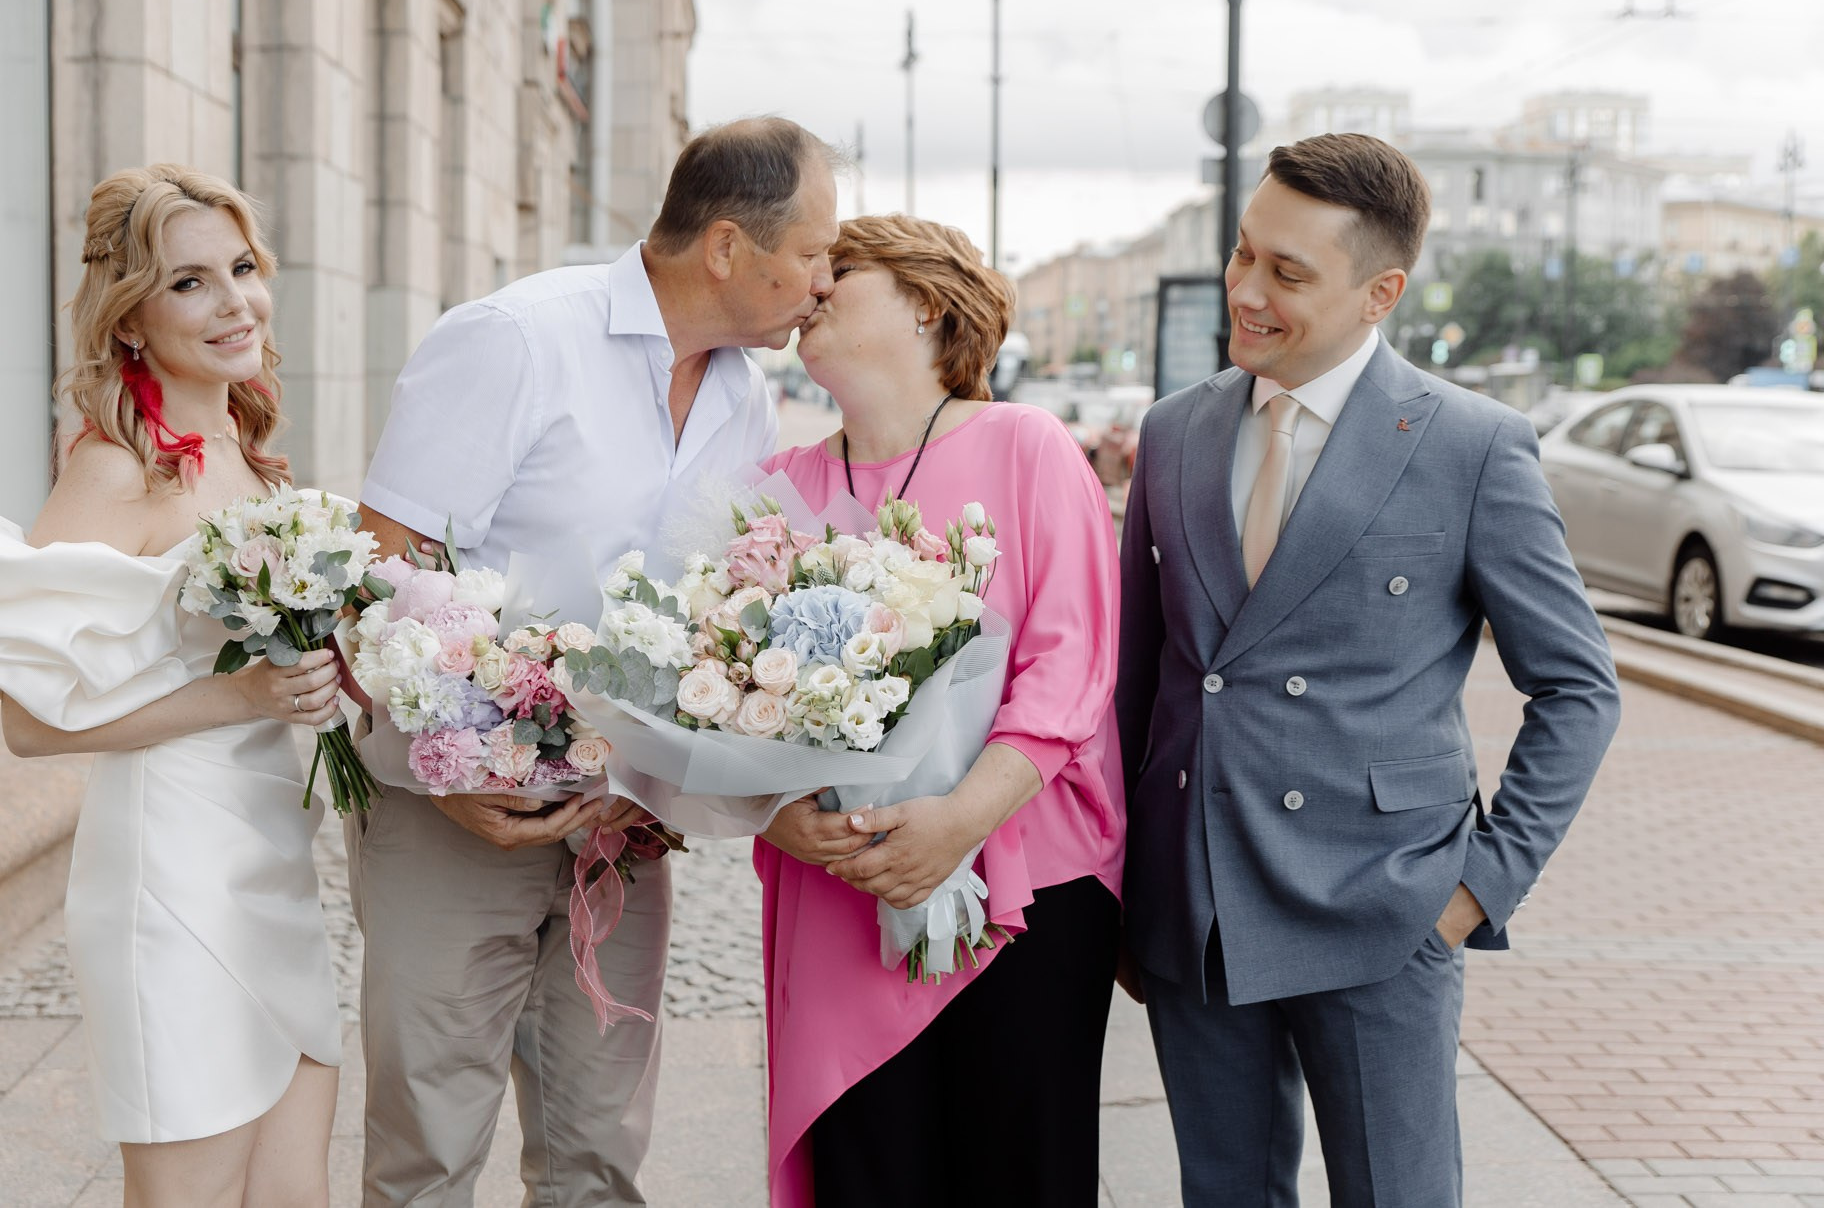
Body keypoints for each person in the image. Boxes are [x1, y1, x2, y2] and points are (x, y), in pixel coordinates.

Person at [1116, 133, 1621, 1206]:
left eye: (1286, 273)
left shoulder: (1470, 446)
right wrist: (1127, 883)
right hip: (1194, 903)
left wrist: (1475, 889)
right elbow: (1139, 675)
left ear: (1378, 291)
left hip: (1381, 909)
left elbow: (1575, 686)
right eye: (1242, 254)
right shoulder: (1171, 433)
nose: (1244, 291)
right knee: (1223, 1193)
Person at [347, 116, 839, 1206]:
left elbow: (714, 603)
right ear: (725, 247)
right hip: (451, 821)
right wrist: (457, 771)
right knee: (427, 1144)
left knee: (598, 1154)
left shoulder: (742, 395)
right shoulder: (520, 339)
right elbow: (386, 560)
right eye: (811, 252)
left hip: (621, 828)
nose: (824, 280)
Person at [0, 165, 344, 1207]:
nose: (234, 301)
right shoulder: (119, 470)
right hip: (171, 874)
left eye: (240, 268)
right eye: (188, 282)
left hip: (272, 859)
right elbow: (29, 722)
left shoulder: (250, 460)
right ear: (130, 317)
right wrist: (244, 699)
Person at [757, 215, 1125, 1207]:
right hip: (843, 880)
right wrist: (782, 816)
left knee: (1018, 1172)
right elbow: (726, 692)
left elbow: (1071, 669)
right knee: (865, 1171)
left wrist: (956, 821)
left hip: (1025, 887)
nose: (812, 287)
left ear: (924, 302)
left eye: (842, 271)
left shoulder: (1028, 447)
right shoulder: (776, 488)